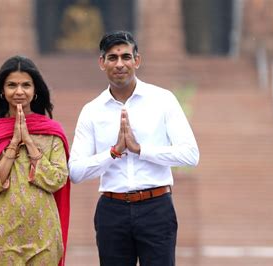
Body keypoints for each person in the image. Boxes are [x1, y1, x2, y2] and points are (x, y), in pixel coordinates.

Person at [68, 31, 199, 265]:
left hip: (156, 206)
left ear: (137, 60)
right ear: (102, 63)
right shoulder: (92, 110)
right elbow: (76, 172)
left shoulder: (162, 100)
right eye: (112, 58)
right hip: (112, 208)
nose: (120, 64)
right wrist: (113, 152)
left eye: (126, 57)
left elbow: (190, 154)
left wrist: (141, 150)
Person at [0, 55, 70, 266]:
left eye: (26, 85)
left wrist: (28, 142)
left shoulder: (51, 133)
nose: (19, 91)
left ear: (35, 90)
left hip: (43, 233)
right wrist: (13, 144)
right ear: (2, 90)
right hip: (1, 232)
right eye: (12, 85)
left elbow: (57, 179)